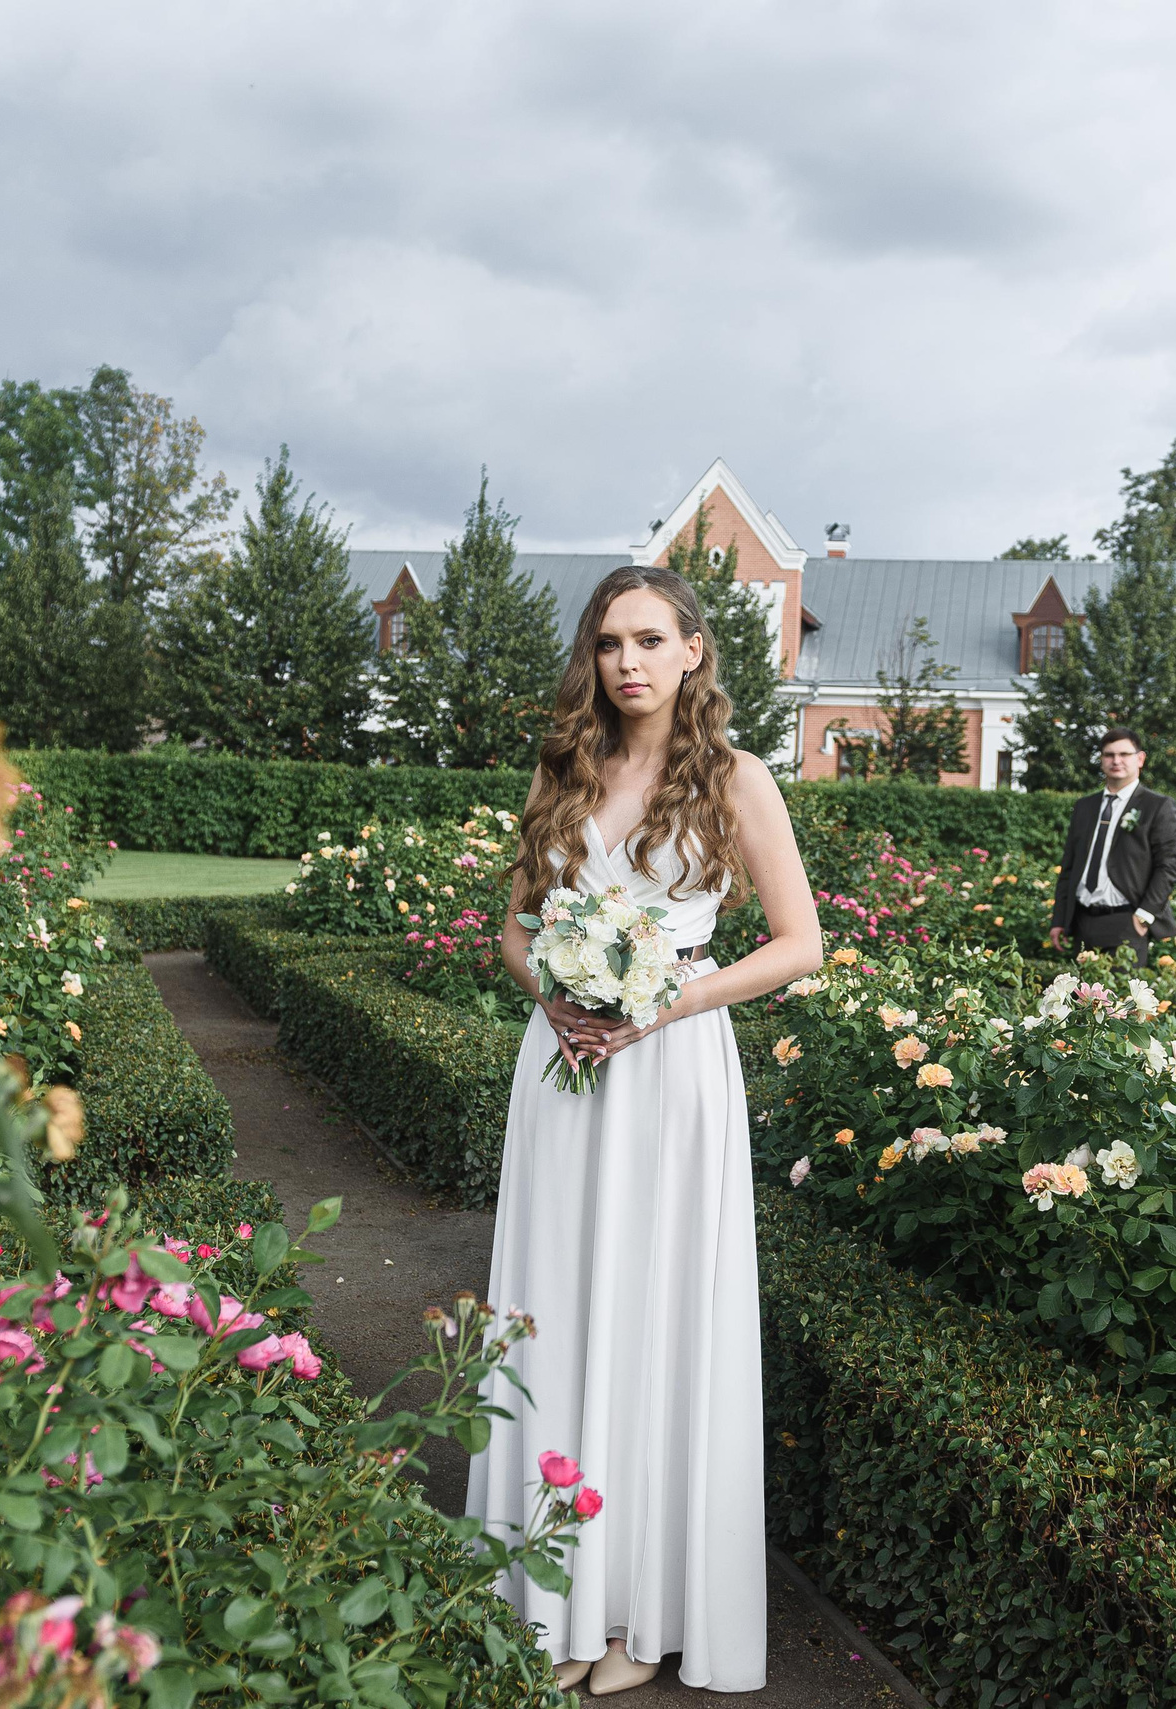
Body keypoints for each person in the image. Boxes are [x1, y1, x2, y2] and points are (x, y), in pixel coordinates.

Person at [467, 564, 822, 1696]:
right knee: (560, 1308)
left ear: (693, 651)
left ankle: (637, 1613)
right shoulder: (561, 769)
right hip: (566, 1071)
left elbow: (799, 943)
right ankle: (551, 1597)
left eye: (650, 640)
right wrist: (556, 1000)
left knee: (655, 1317)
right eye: (610, 641)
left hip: (671, 1071)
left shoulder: (736, 777)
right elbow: (515, 931)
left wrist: (662, 1001)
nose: (628, 661)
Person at [1046, 727, 1176, 962]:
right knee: (1081, 987)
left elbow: (1169, 866)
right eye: (1109, 755)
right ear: (1101, 760)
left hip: (1126, 923)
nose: (1116, 760)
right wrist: (1059, 919)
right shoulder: (1084, 806)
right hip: (1081, 922)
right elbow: (1069, 866)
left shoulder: (1158, 807)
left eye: (1124, 754)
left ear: (1140, 759)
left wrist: (1144, 915)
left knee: (1122, 988)